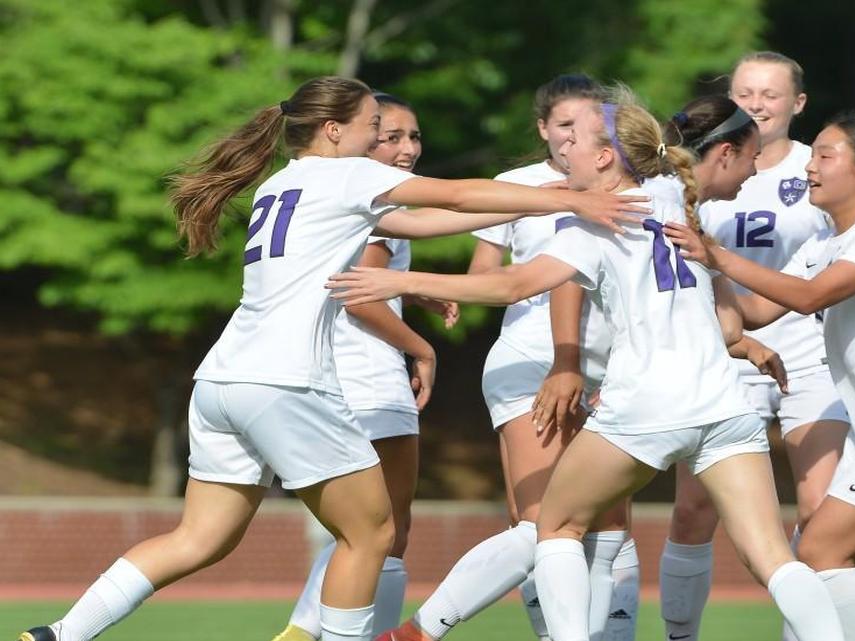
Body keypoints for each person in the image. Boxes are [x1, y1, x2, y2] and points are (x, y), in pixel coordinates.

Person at [16, 76, 647, 641]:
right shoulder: (346, 174)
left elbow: (421, 223)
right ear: (334, 129)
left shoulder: (279, 184)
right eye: (375, 126)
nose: (382, 139)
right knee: (372, 534)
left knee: (198, 539)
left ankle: (60, 635)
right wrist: (571, 200)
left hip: (220, 379)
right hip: (286, 383)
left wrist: (534, 209)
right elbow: (453, 196)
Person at [328, 87, 845, 641]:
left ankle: (443, 631)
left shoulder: (592, 224)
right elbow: (719, 308)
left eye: (573, 140)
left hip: (645, 406)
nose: (562, 149)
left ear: (605, 157)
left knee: (554, 527)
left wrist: (400, 280)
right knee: (774, 559)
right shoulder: (671, 192)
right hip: (723, 404)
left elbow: (514, 284)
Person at [664, 113, 855, 641]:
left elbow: (810, 297)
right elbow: (758, 311)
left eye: (826, 156)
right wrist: (700, 262)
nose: (809, 166)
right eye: (813, 156)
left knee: (816, 550)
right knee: (828, 563)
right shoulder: (825, 244)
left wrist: (716, 255)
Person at [660, 51, 850, 641]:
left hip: (807, 343)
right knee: (695, 509)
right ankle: (679, 635)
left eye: (771, 94)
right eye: (745, 92)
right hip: (719, 346)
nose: (757, 104)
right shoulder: (690, 174)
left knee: (819, 510)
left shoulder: (821, 167)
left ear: (797, 104)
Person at [273, 92, 459, 641]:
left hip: (329, 375)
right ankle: (308, 635)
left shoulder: (324, 191)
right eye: (390, 135)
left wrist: (413, 292)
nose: (406, 148)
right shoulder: (366, 195)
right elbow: (361, 299)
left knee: (364, 532)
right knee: (384, 532)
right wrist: (420, 348)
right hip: (369, 379)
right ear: (356, 136)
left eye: (414, 136)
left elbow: (354, 279)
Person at [466, 73, 637, 641]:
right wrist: (445, 290)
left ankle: (611, 635)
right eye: (563, 125)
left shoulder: (627, 183)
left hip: (607, 367)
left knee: (610, 525)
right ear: (543, 129)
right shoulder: (517, 186)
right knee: (538, 524)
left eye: (589, 126)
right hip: (533, 358)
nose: (573, 138)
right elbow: (491, 277)